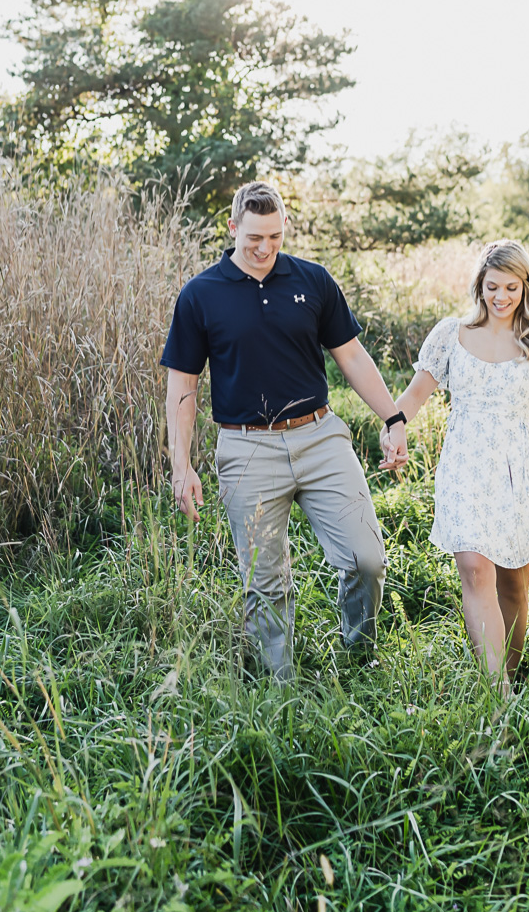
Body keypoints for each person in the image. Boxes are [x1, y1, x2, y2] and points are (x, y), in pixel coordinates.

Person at [162, 180, 409, 681]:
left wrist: (393, 416)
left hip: (320, 437)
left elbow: (353, 357)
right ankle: (280, 691)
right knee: (264, 581)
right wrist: (181, 465)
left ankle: (360, 659)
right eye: (253, 236)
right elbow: (182, 390)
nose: (264, 248)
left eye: (274, 236)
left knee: (366, 558)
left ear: (284, 229)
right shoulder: (200, 295)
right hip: (246, 448)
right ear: (232, 228)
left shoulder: (313, 280)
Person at [383, 240, 529, 694]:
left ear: (526, 287)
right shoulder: (452, 334)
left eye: (511, 287)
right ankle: (499, 697)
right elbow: (416, 393)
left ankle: (506, 673)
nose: (501, 297)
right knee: (474, 568)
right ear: (479, 286)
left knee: (513, 586)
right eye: (493, 287)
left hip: (518, 470)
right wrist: (394, 424)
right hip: (465, 464)